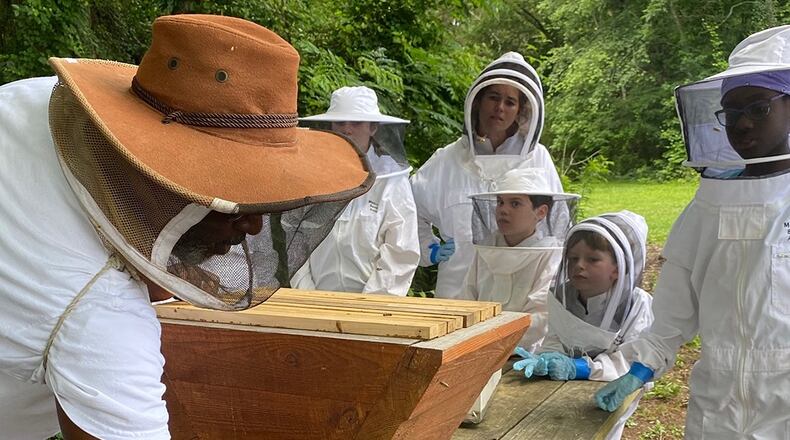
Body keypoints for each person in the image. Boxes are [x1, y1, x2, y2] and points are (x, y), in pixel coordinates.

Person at [0, 14, 374, 439]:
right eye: (235, 199)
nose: (253, 226)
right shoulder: (98, 313)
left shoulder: (25, 102)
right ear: (164, 180)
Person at [594, 25, 790, 438]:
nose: (740, 124)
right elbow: (673, 311)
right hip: (717, 404)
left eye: (757, 108)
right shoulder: (707, 205)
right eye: (730, 113)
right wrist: (641, 367)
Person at [410, 52, 564, 300]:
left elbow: (554, 227)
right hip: (456, 294)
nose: (500, 108)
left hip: (519, 295)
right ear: (478, 101)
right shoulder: (447, 160)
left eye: (510, 102)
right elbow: (408, 209)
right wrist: (430, 249)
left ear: (521, 111)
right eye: (493, 97)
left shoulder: (537, 159)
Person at [515, 211, 653, 439]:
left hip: (611, 390)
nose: (579, 266)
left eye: (592, 259)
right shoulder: (562, 296)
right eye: (573, 258)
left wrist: (584, 368)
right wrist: (547, 359)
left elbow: (633, 361)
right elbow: (557, 336)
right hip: (560, 394)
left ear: (617, 268)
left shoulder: (638, 305)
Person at [461, 167, 579, 424]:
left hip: (524, 362)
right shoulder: (486, 249)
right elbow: (467, 300)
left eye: (515, 203)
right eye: (501, 202)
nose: (503, 210)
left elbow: (540, 316)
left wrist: (495, 343)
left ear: (541, 212)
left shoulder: (549, 254)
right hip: (475, 354)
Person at [291, 86, 420, 295]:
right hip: (314, 304)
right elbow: (294, 240)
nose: (347, 129)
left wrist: (369, 305)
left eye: (357, 122)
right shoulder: (311, 177)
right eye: (340, 122)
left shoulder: (392, 182)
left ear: (373, 128)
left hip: (373, 310)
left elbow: (401, 251)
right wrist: (309, 297)